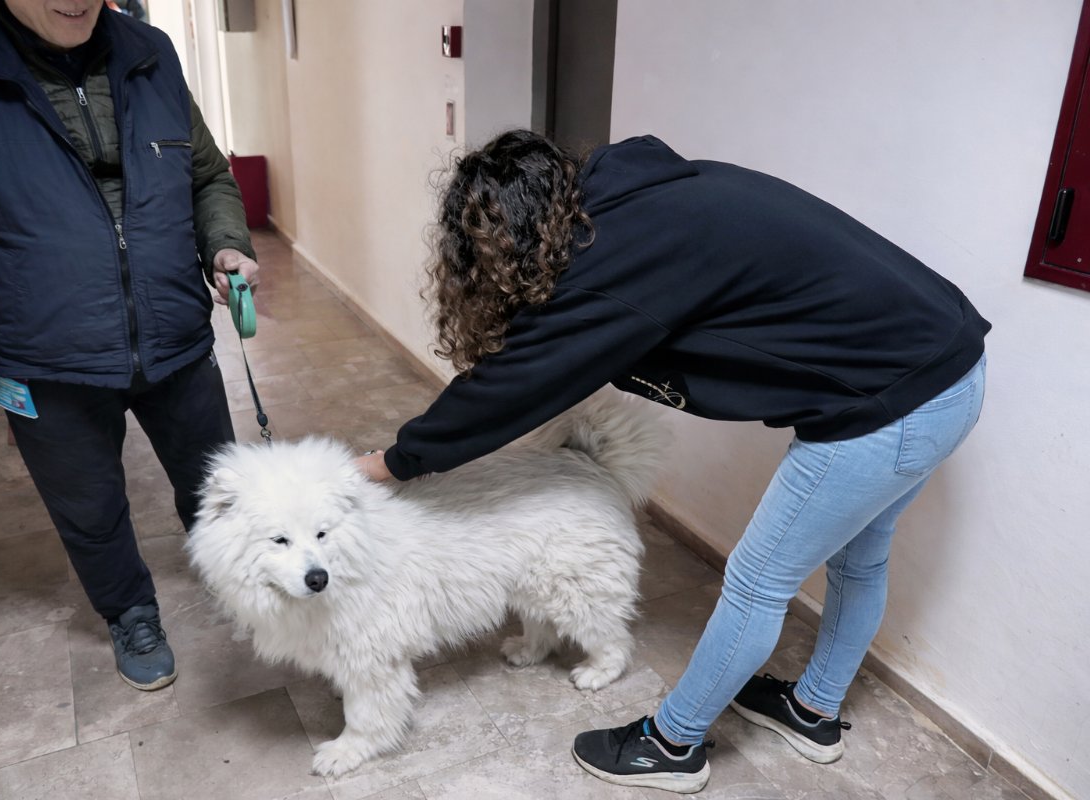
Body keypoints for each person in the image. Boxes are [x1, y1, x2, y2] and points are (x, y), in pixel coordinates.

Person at [355, 130, 989, 793]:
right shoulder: (637, 200)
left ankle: (672, 746)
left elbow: (513, 384)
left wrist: (396, 462)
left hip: (899, 400)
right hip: (948, 362)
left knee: (756, 579)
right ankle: (813, 711)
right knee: (860, 558)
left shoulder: (615, 259)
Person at [0, 0, 258, 691]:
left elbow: (206, 175)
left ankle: (232, 573)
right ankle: (129, 611)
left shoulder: (151, 51)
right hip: (43, 356)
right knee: (88, 508)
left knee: (218, 483)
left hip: (174, 335)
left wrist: (227, 240)